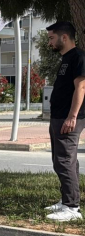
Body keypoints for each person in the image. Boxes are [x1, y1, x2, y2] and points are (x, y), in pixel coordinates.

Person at [44, 22, 84, 222]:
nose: (50, 42)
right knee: (64, 161)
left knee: (64, 161)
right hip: (59, 116)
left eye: (52, 38)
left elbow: (81, 88)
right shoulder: (66, 58)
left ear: (64, 37)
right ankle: (67, 200)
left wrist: (72, 116)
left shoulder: (78, 57)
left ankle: (72, 208)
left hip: (68, 118)